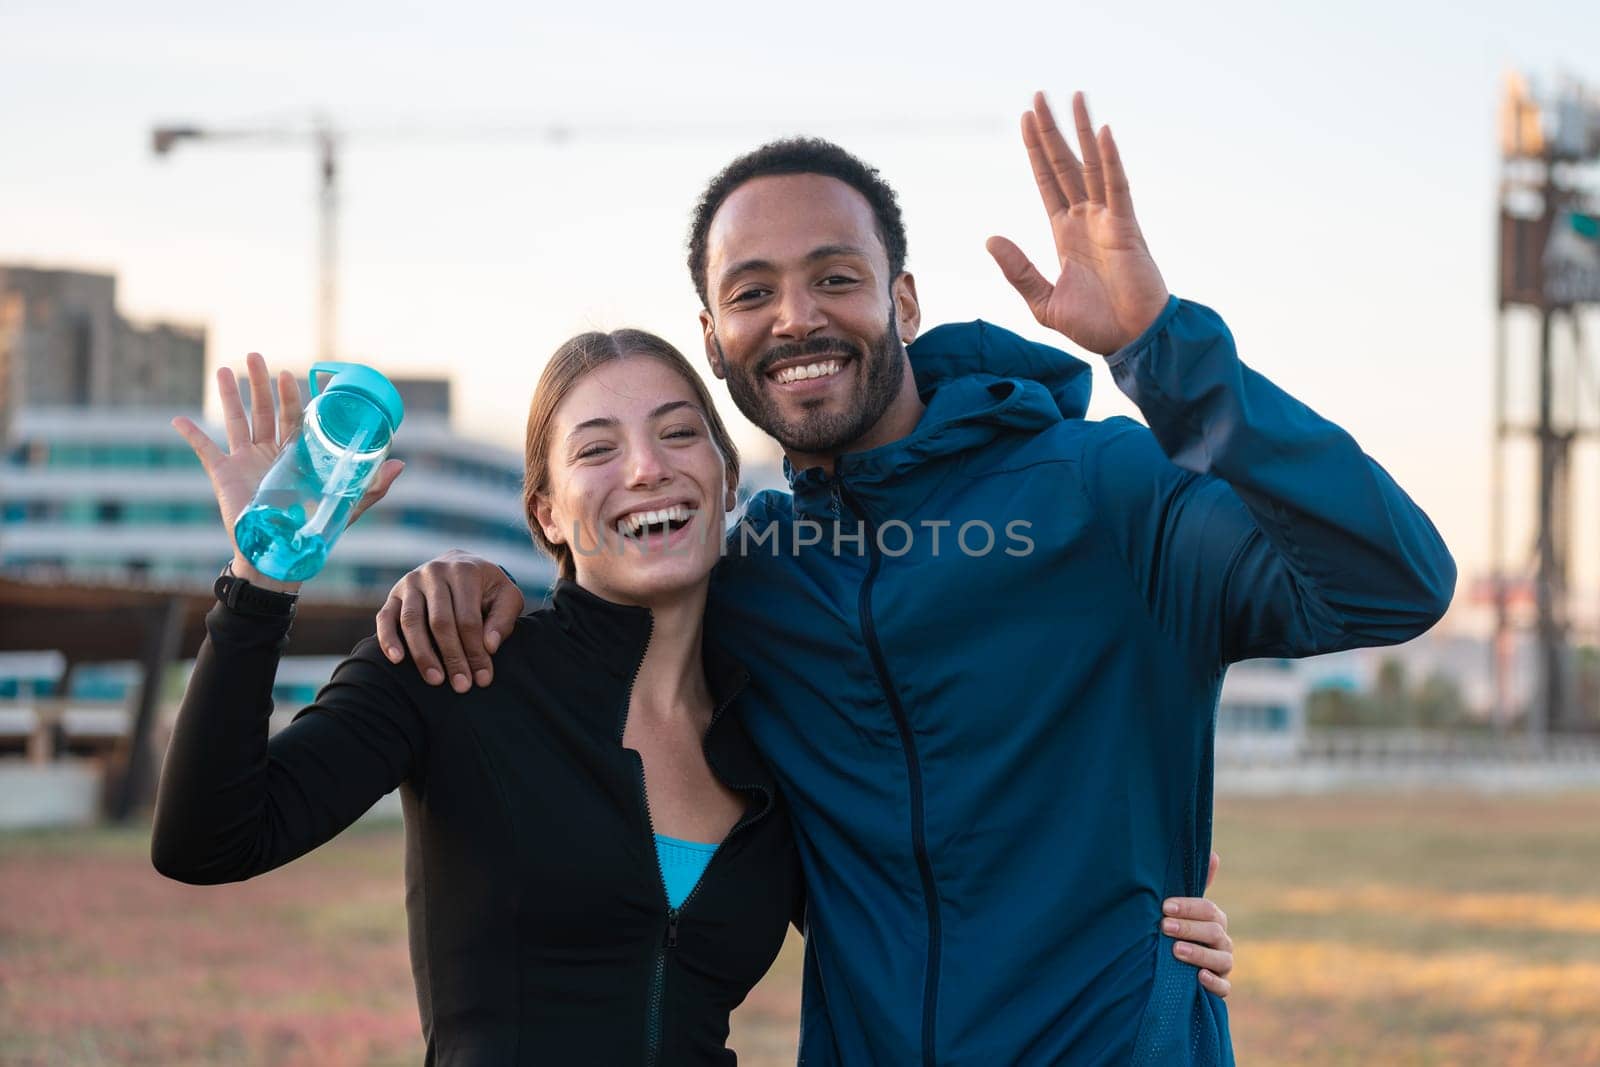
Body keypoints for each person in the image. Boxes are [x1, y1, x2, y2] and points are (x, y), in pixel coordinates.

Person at [386, 89, 1456, 1065]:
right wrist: (474, 580)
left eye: (835, 278)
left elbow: (1391, 580)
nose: (797, 316)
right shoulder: (749, 570)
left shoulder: (1105, 493)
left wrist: (1162, 350)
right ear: (714, 340)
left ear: (902, 301)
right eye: (753, 292)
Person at [151, 334, 1240, 1063]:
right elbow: (208, 838)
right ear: (547, 512)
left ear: (725, 477)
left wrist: (1147, 921)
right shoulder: (456, 665)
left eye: (679, 433)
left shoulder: (777, 733)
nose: (645, 468)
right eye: (597, 448)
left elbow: (932, 896)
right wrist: (260, 583)